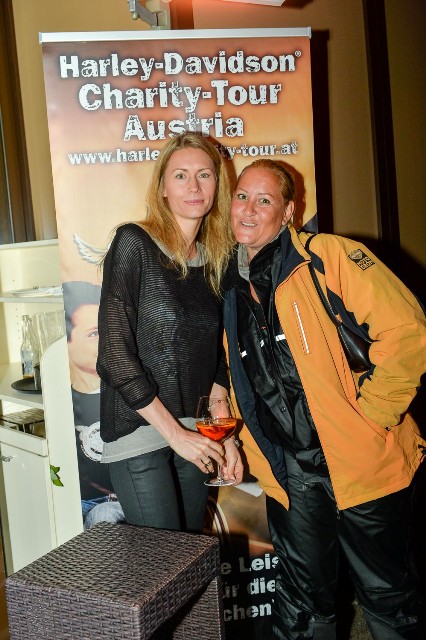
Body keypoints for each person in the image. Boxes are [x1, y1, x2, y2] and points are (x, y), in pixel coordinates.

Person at [222, 158, 426, 639]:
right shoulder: (229, 287)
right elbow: (239, 378)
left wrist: (371, 418)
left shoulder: (329, 257)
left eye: (264, 200)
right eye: (241, 196)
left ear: (288, 212)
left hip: (362, 459)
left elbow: (407, 332)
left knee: (388, 599)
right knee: (300, 606)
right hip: (292, 472)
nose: (248, 209)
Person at [96, 132, 243, 533]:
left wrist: (225, 437)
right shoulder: (134, 243)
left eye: (204, 175)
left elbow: (214, 360)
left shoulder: (216, 260)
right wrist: (175, 434)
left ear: (217, 186)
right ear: (162, 187)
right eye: (181, 175)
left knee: (191, 554)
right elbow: (113, 355)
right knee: (164, 563)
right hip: (140, 433)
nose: (194, 186)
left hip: (195, 436)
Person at [63, 280, 125, 528]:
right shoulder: (61, 399)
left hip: (124, 501)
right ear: (67, 343)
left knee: (104, 517)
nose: (105, 341)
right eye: (93, 333)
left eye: (106, 330)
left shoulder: (132, 387)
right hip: (77, 502)